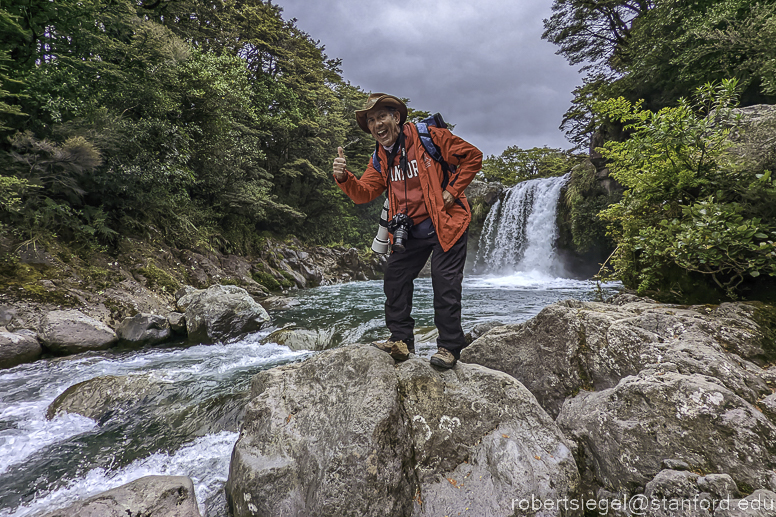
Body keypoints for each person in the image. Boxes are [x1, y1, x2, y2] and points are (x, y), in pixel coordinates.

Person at [332, 93, 482, 369]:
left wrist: (451, 191)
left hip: (446, 223)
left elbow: (472, 157)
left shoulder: (430, 137)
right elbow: (364, 193)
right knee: (395, 276)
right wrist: (344, 177)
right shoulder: (380, 157)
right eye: (371, 120)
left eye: (382, 117)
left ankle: (449, 347)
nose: (377, 124)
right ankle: (401, 341)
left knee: (444, 281)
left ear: (396, 118)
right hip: (409, 229)